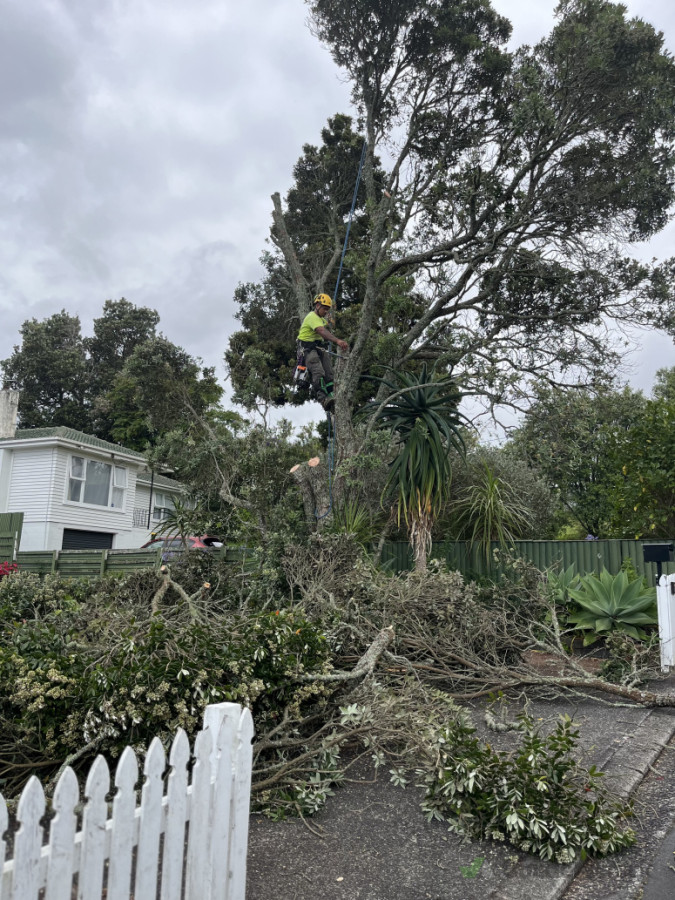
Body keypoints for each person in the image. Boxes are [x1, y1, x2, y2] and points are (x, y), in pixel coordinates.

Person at [297, 293, 348, 411]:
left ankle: (331, 395)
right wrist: (337, 341)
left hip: (318, 348)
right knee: (318, 372)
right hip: (308, 349)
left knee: (329, 372)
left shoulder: (321, 319)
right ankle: (323, 399)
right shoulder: (312, 317)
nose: (326, 311)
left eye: (327, 309)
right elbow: (321, 331)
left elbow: (326, 326)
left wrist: (330, 321)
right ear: (317, 306)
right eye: (324, 309)